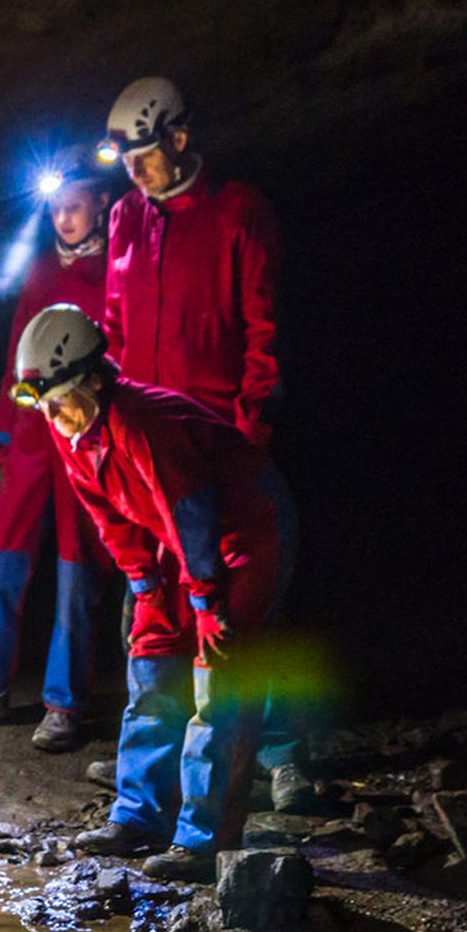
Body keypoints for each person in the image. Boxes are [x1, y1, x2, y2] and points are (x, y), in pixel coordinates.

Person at [92, 76, 314, 808]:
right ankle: (160, 766)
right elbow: (113, 330)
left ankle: (279, 755)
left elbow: (263, 331)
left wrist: (248, 434)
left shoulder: (236, 212)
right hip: (148, 453)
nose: (133, 172)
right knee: (153, 607)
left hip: (218, 444)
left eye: (144, 155)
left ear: (180, 138)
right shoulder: (126, 218)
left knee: (243, 607)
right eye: (124, 160)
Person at [15, 304, 284, 881]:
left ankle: (205, 840)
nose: (51, 415)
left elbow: (190, 512)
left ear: (93, 381)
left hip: (245, 530)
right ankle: (141, 815)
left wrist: (206, 603)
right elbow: (111, 518)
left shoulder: (142, 422)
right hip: (178, 538)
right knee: (151, 662)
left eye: (58, 400)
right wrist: (145, 585)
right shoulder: (71, 427)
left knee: (218, 678)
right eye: (43, 404)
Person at [0, 166, 114, 749]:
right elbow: (18, 358)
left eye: (74, 205)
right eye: (56, 208)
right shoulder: (41, 269)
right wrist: (0, 436)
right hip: (33, 433)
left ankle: (64, 704)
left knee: (77, 568)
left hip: (86, 431)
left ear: (100, 203)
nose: (63, 217)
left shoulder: (118, 266)